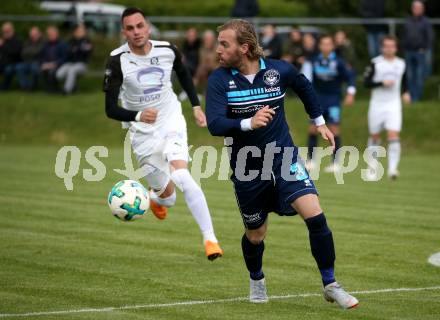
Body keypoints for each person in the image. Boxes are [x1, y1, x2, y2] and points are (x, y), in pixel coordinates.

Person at [205, 19, 358, 308]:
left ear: (245, 47)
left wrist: (320, 122)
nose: (218, 49)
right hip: (247, 166)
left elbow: (303, 86)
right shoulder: (219, 80)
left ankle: (331, 284)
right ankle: (257, 279)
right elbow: (214, 124)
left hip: (284, 156)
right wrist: (249, 122)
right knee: (255, 234)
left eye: (224, 44)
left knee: (315, 216)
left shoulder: (278, 70)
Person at [103, 7, 223, 260]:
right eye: (130, 28)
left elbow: (183, 73)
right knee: (168, 199)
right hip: (142, 135)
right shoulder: (116, 61)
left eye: (140, 26)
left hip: (171, 121)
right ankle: (154, 197)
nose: (136, 32)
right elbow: (110, 109)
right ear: (123, 32)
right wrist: (137, 115)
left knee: (182, 174)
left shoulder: (167, 50)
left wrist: (195, 105)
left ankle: (210, 239)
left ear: (147, 27)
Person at [301, 35, 356, 173]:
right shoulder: (313, 61)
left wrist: (350, 93)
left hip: (333, 100)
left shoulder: (338, 62)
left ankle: (335, 162)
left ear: (332, 46)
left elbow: (350, 77)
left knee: (334, 129)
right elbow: (305, 80)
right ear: (319, 46)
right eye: (323, 44)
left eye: (328, 44)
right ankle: (311, 160)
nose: (326, 46)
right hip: (317, 100)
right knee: (313, 129)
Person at [364, 35, 411, 180]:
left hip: (393, 105)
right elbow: (366, 82)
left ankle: (392, 169)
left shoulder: (401, 63)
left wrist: (405, 93)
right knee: (375, 136)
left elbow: (404, 82)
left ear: (396, 48)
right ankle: (372, 168)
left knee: (393, 135)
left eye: (392, 46)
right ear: (382, 47)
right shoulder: (375, 63)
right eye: (386, 46)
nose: (389, 49)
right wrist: (381, 83)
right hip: (377, 104)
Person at [403, 0, 434, 101]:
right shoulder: (408, 20)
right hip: (409, 51)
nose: (417, 10)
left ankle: (417, 98)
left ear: (423, 9)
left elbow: (430, 38)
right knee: (409, 76)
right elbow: (403, 34)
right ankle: (410, 96)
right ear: (412, 9)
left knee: (419, 76)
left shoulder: (426, 22)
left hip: (420, 52)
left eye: (419, 8)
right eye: (415, 8)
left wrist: (424, 49)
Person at [56, 24, 92, 94]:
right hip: (70, 63)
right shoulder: (71, 41)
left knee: (72, 71)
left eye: (82, 31)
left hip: (82, 64)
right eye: (79, 31)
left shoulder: (87, 41)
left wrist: (77, 49)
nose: (81, 32)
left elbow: (87, 52)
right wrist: (77, 50)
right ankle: (73, 86)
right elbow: (68, 52)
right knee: (59, 74)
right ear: (75, 32)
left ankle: (66, 90)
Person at [40, 26, 68, 92]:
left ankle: (55, 89)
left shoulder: (63, 44)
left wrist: (54, 64)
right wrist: (44, 64)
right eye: (49, 34)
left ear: (57, 34)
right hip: (47, 64)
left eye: (52, 34)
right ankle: (49, 88)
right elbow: (41, 56)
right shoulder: (45, 45)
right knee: (43, 70)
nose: (50, 36)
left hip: (60, 64)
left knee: (52, 72)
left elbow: (65, 58)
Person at [16, 26, 44, 91]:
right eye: (32, 34)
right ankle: (25, 86)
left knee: (34, 68)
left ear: (39, 34)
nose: (33, 35)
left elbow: (38, 51)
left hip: (38, 61)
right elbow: (22, 52)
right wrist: (31, 51)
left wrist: (28, 51)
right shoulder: (27, 41)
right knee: (19, 67)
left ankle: (32, 86)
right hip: (27, 61)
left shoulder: (42, 42)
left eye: (35, 34)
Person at [0, 22, 22, 90]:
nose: (5, 33)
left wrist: (2, 45)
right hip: (2, 63)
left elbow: (14, 52)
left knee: (8, 70)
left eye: (7, 31)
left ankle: (4, 87)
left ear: (12, 30)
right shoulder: (4, 40)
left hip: (13, 63)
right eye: (4, 31)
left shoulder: (17, 40)